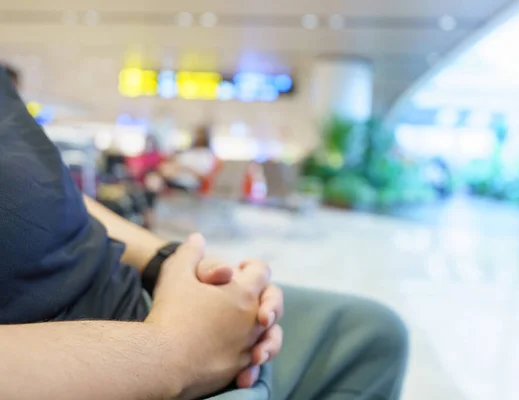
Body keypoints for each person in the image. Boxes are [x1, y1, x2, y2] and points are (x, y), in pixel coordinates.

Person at [0, 67, 409, 399]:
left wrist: (175, 261)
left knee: (370, 331)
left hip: (131, 294)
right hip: (98, 367)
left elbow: (53, 191)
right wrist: (172, 352)